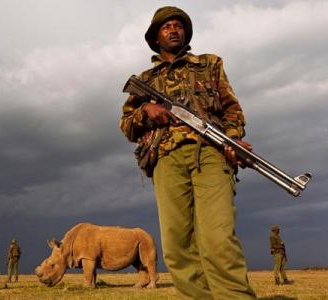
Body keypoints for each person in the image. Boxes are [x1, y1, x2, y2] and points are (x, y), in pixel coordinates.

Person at [119, 6, 256, 299]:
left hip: (210, 153)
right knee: (176, 245)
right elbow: (127, 126)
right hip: (165, 159)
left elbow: (232, 111)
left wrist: (232, 141)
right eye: (166, 26)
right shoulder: (145, 80)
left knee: (218, 239)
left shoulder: (209, 64)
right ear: (156, 37)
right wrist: (146, 111)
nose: (173, 29)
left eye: (178, 25)